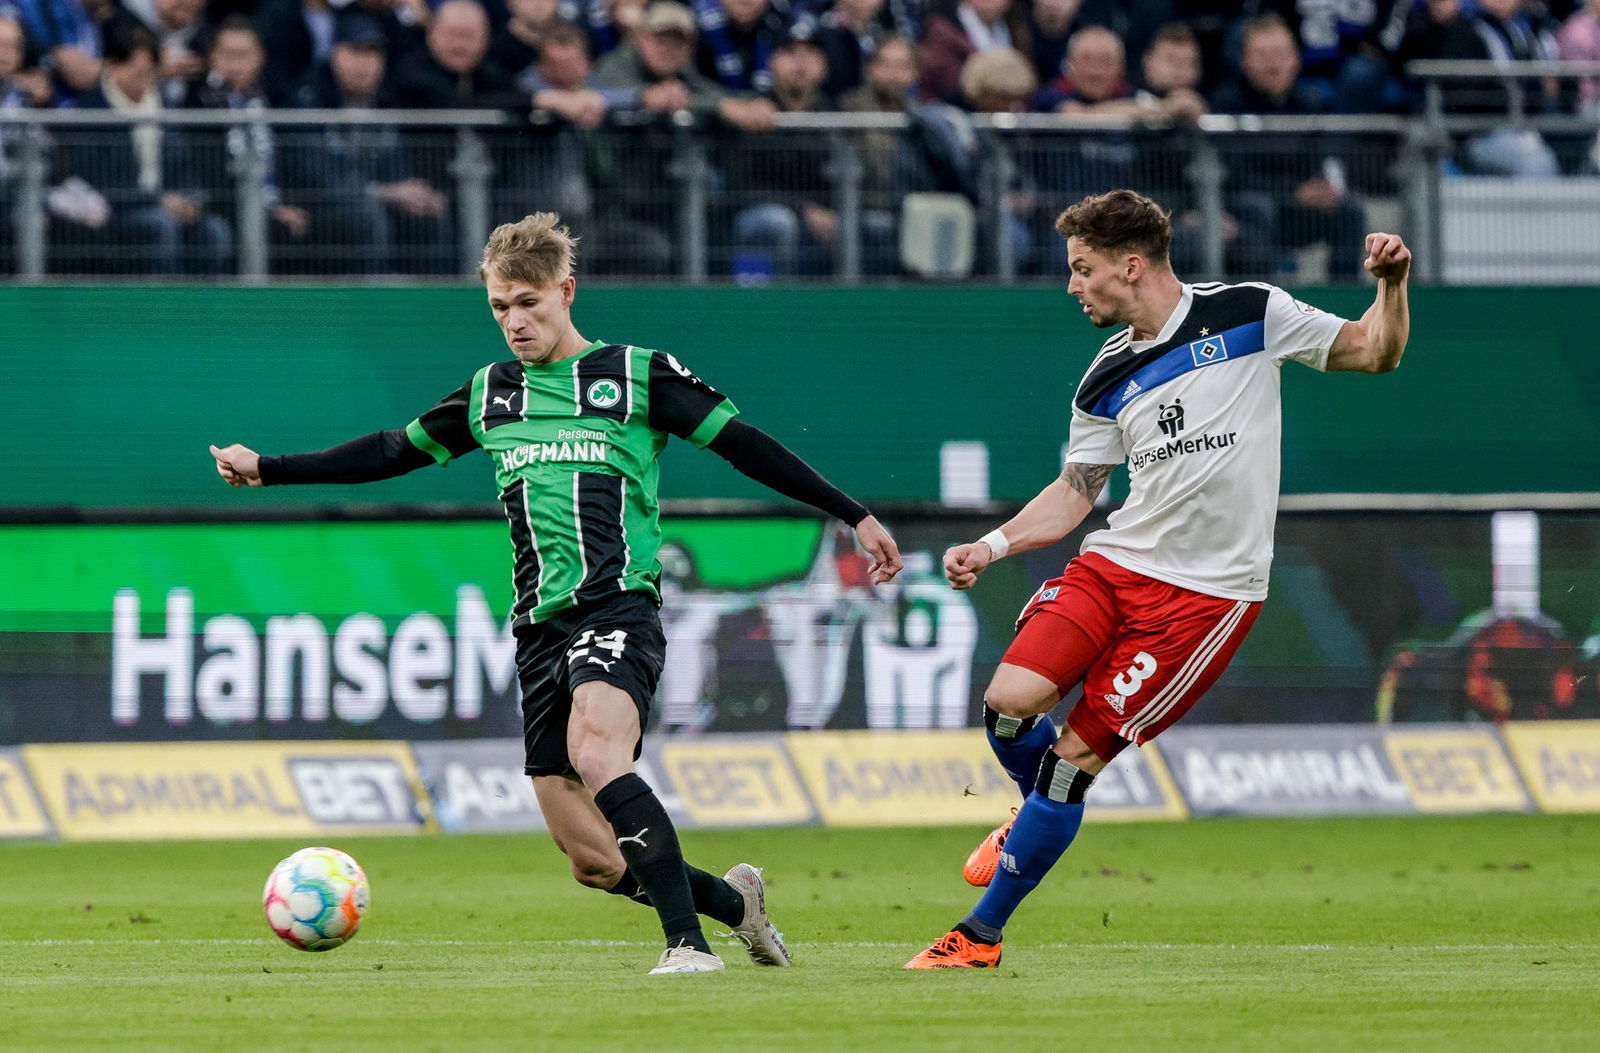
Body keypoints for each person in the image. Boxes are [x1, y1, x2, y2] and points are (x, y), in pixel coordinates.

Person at [209, 212, 903, 974]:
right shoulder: (490, 395)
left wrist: (853, 513)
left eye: (528, 302)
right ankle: (738, 906)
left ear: (566, 292)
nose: (514, 321)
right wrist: (269, 467)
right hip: (538, 629)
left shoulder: (636, 375)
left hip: (619, 606)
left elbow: (747, 446)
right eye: (499, 306)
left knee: (596, 748)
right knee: (592, 858)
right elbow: (389, 451)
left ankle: (688, 945)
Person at [905, 189, 1410, 968]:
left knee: (1070, 765)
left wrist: (1391, 285)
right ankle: (1032, 815)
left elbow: (1376, 350)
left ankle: (979, 935)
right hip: (1117, 564)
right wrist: (992, 544)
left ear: (1131, 265)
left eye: (1083, 269)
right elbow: (1075, 491)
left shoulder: (1249, 312)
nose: (1072, 285)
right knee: (1007, 703)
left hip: (1205, 598)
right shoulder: (1105, 375)